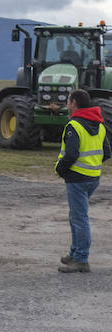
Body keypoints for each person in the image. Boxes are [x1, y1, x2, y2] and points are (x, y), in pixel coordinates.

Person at [57, 89, 108, 273]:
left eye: (68, 101)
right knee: (76, 216)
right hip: (93, 177)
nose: (66, 105)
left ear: (74, 103)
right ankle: (74, 252)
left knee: (80, 219)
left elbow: (71, 154)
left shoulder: (74, 125)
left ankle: (81, 259)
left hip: (77, 179)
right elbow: (107, 152)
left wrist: (60, 170)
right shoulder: (100, 125)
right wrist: (91, 164)